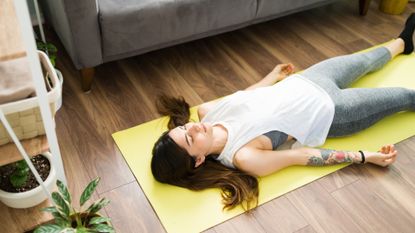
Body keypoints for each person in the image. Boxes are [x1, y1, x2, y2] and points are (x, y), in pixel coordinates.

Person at [151, 13, 415, 211]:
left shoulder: (207, 113)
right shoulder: (244, 156)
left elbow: (247, 96)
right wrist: (362, 156)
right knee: (405, 97)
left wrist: (272, 76)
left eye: (184, 128)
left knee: (365, 59)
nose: (193, 128)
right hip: (333, 111)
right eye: (189, 138)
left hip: (309, 79)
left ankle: (403, 43)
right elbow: (303, 156)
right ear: (197, 160)